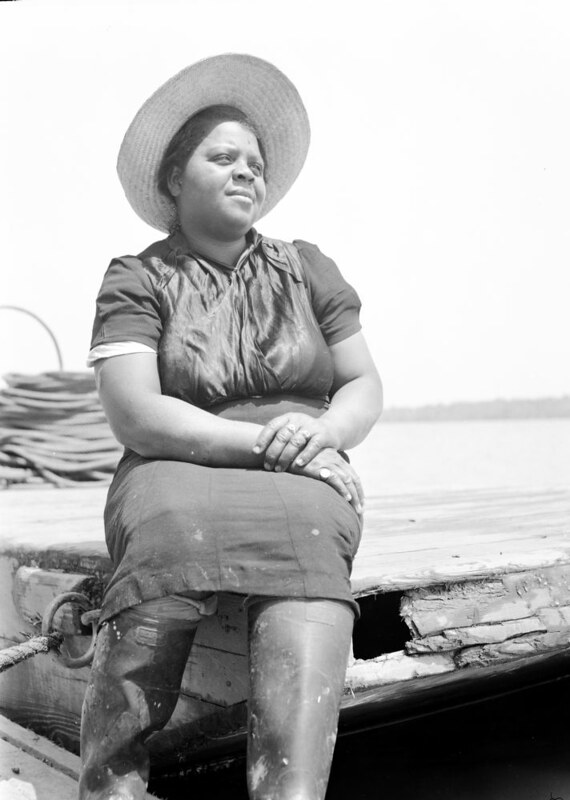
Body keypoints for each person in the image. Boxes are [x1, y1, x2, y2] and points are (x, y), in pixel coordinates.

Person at [80, 53, 383, 800]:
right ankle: (110, 784)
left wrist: (324, 436)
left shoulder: (308, 267)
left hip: (302, 471)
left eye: (255, 161)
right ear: (175, 180)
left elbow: (362, 384)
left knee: (314, 537)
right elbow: (137, 414)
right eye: (223, 157)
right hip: (175, 465)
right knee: (168, 530)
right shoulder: (136, 277)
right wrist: (270, 443)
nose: (247, 171)